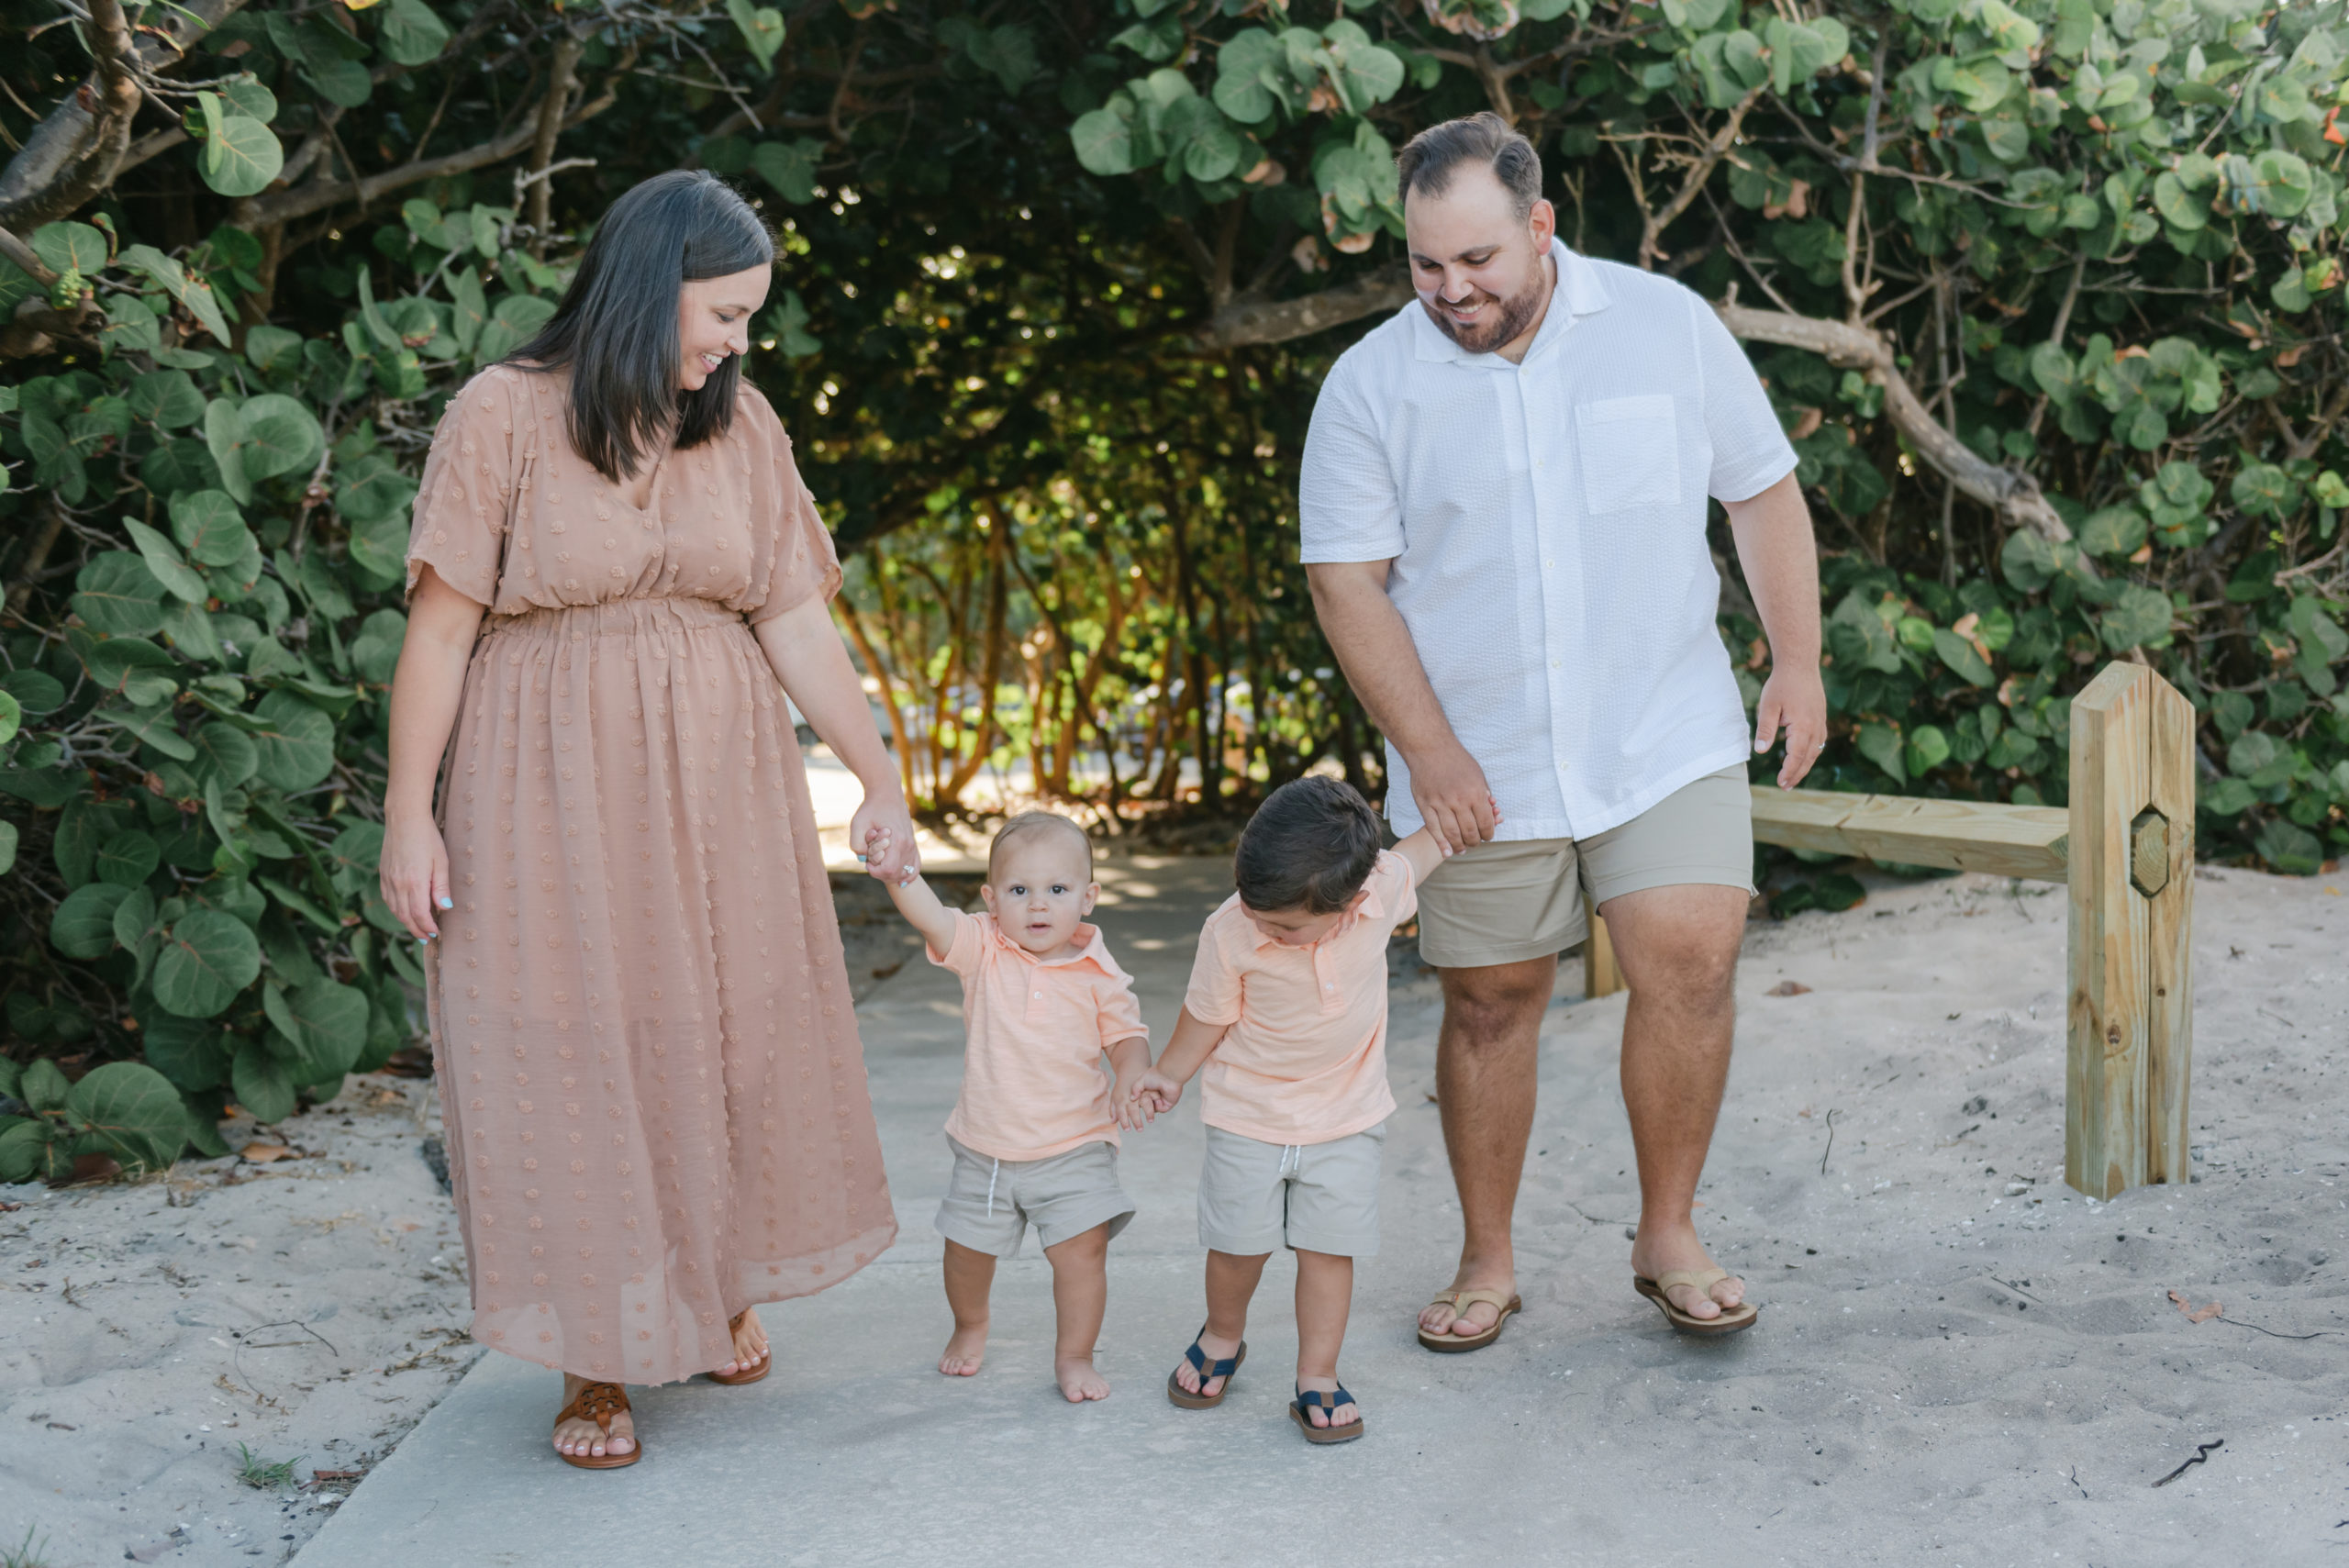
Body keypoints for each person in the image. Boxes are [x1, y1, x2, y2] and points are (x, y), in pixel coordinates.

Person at [380, 171, 914, 1469]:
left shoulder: (741, 430)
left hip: (721, 777)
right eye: (725, 312)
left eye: (750, 321)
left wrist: (882, 774)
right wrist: (410, 816)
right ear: (651, 279)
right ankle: (597, 1359)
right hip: (541, 782)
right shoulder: (501, 416)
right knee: (574, 1044)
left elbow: (795, 616)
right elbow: (442, 632)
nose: (739, 342)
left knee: (723, 1029)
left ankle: (712, 1277)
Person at [1299, 113, 1828, 1345]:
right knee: (1490, 1002)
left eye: (1476, 260)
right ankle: (1487, 1256)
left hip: (1663, 728)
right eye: (1426, 266)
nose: (1451, 290)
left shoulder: (1665, 326)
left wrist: (1795, 658)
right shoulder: (1375, 381)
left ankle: (1670, 1232)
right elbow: (1346, 581)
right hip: (1476, 753)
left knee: (1692, 961)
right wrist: (1429, 752)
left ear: (1541, 226)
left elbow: (1760, 489)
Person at [1129, 777, 1458, 1442]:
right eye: (1256, 910)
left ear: (1353, 901)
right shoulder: (1232, 930)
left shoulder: (1381, 888)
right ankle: (1223, 1334)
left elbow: (1428, 846)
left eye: (1282, 924)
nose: (1262, 926)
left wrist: (1463, 813)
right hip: (1248, 1113)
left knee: (1329, 1251)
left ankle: (1318, 1374)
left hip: (1348, 1117)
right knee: (1237, 1248)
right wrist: (1169, 1074)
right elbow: (1205, 1016)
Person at [859, 811, 1154, 1403]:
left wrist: (1131, 1074)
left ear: (1089, 898)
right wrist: (900, 875)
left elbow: (1126, 1037)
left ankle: (1074, 1356)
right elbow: (933, 917)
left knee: (1081, 1255)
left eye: (1058, 890)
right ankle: (970, 1325)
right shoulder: (983, 949)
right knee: (965, 1253)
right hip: (986, 1147)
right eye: (1019, 891)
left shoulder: (1099, 973)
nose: (1038, 906)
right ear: (992, 900)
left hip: (1075, 1146)